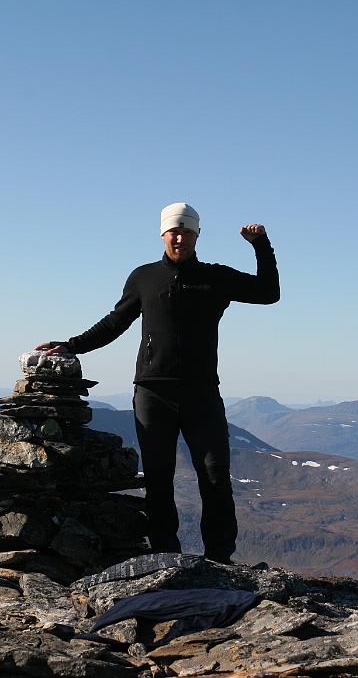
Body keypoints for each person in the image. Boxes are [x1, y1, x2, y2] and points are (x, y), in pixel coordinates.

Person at [35, 202, 279, 564]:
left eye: (187, 231)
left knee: (214, 476)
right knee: (159, 478)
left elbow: (267, 292)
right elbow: (115, 321)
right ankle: (166, 555)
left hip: (201, 392)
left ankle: (219, 559)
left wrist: (261, 245)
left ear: (197, 235)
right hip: (153, 392)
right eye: (173, 231)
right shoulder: (144, 277)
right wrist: (72, 345)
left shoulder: (216, 277)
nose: (179, 237)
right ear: (163, 234)